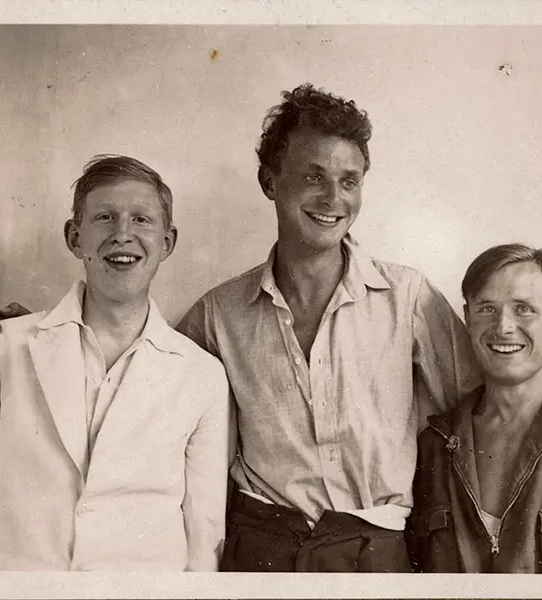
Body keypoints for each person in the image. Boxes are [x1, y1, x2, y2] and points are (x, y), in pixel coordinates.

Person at [175, 83, 481, 572]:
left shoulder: (408, 297)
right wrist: (34, 330)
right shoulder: (219, 312)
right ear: (270, 180)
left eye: (349, 181)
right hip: (261, 559)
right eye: (313, 176)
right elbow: (152, 388)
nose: (333, 198)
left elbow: (479, 411)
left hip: (378, 557)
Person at [0, 155, 231, 570]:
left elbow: (204, 532)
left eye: (142, 220)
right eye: (105, 217)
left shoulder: (202, 375)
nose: (123, 235)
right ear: (74, 237)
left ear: (167, 242)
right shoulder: (8, 346)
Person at [408, 243, 542, 573]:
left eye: (523, 309)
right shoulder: (433, 445)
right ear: (467, 317)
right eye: (487, 309)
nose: (504, 326)